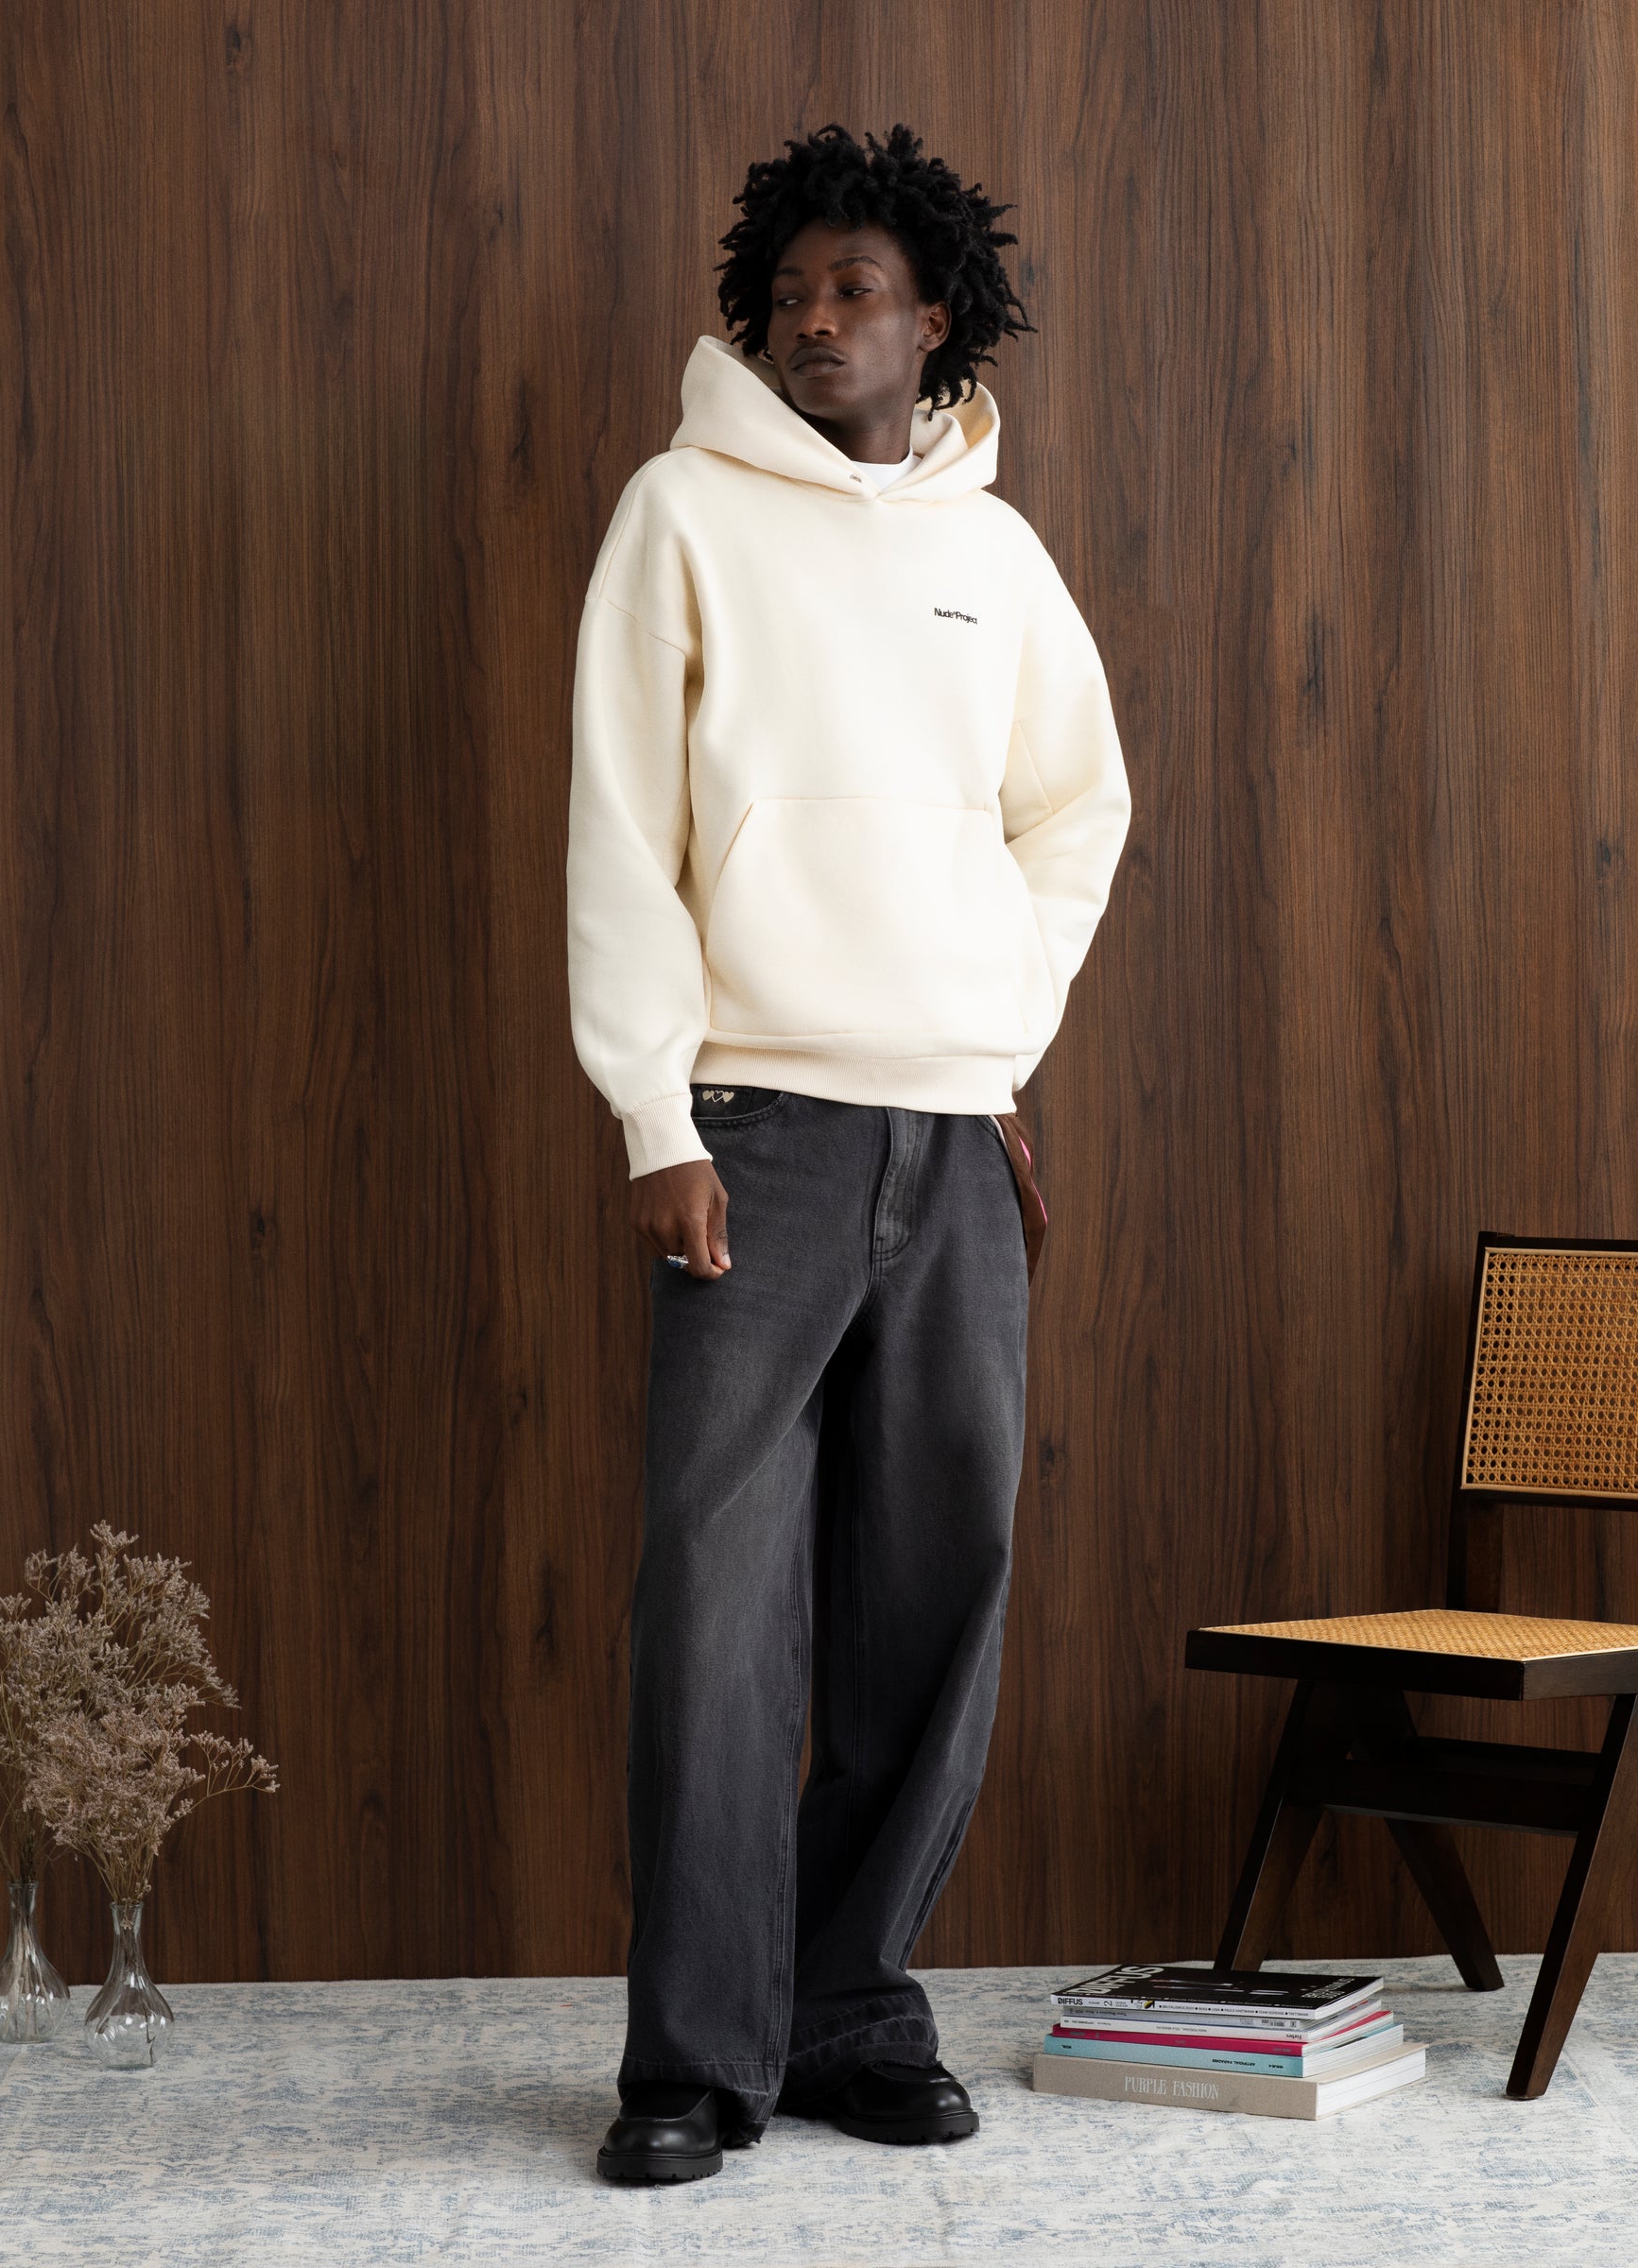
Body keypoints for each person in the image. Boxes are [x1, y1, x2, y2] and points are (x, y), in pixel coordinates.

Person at [566, 121, 1130, 2185]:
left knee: (936, 1586)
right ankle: (691, 2063)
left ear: (933, 320)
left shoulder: (1000, 555)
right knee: (717, 1601)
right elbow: (621, 826)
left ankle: (848, 2013)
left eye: (857, 289)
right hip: (754, 1128)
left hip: (959, 1141)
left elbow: (1076, 810)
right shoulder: (682, 513)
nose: (816, 317)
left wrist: (1000, 1040)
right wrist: (653, 1111)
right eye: (790, 292)